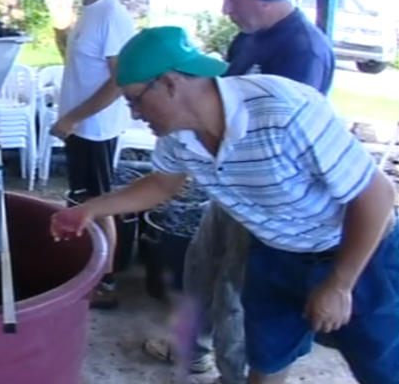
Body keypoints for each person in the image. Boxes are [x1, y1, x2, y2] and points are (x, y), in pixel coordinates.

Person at [51, 26, 399, 384]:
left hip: (357, 252)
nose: (135, 114)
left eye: (136, 100)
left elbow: (377, 196)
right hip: (276, 252)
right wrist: (91, 209)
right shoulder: (178, 134)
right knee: (266, 359)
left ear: (169, 83)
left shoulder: (285, 109)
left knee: (382, 364)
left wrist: (339, 284)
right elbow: (161, 184)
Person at [142, 0, 336, 383]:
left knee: (237, 289)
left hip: (269, 200)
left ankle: (239, 374)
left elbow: (286, 139)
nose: (226, 10)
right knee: (200, 265)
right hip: (231, 187)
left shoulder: (303, 50)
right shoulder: (247, 38)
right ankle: (192, 348)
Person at [50, 0, 135, 309]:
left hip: (96, 128)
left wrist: (73, 117)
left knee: (100, 203)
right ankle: (86, 266)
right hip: (80, 127)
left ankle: (107, 280)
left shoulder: (113, 16)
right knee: (82, 197)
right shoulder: (88, 12)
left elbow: (119, 82)